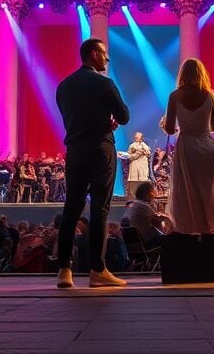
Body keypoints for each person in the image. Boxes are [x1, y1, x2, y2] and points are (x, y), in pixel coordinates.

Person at [53, 37, 131, 289]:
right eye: (104, 53)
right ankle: (98, 270)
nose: (107, 58)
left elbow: (71, 118)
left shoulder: (64, 86)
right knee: (99, 210)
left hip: (75, 150)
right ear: (94, 54)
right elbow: (124, 116)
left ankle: (64, 271)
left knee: (71, 210)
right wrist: (107, 122)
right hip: (100, 149)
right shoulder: (104, 83)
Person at [165, 57, 214, 234]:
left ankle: (193, 232)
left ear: (182, 74)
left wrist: (172, 125)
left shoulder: (175, 96)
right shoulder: (210, 95)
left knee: (188, 191)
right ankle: (210, 232)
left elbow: (169, 129)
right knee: (210, 190)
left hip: (187, 146)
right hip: (207, 146)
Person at [124, 182, 169, 249]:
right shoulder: (143, 206)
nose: (155, 194)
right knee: (171, 239)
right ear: (148, 194)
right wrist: (166, 233)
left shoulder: (134, 204)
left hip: (133, 244)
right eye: (153, 191)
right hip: (145, 242)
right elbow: (157, 223)